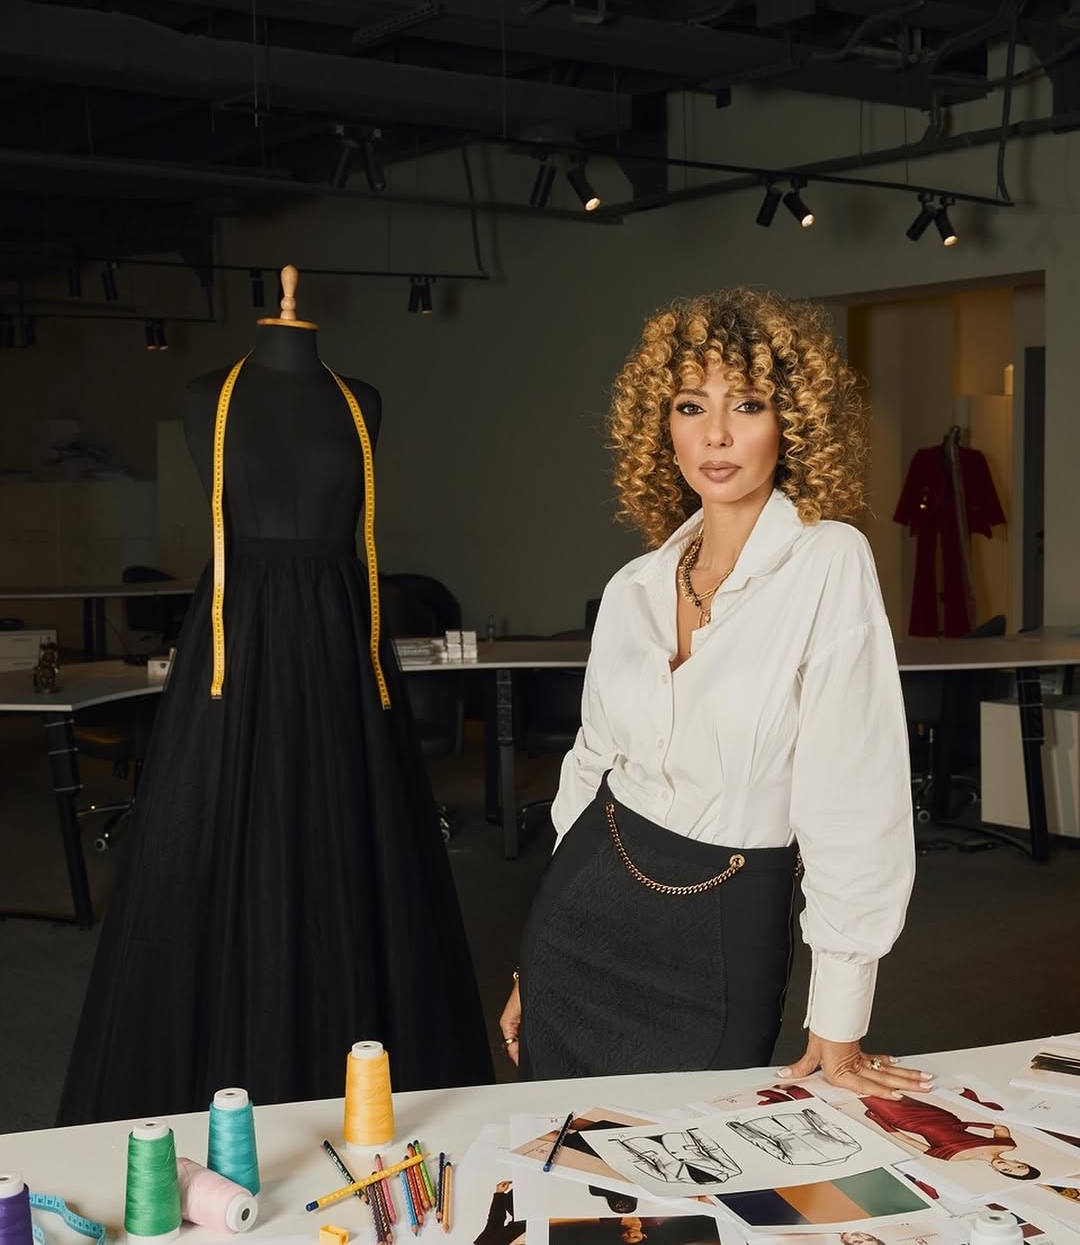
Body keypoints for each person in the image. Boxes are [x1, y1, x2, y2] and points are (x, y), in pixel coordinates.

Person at [57, 295, 492, 1124]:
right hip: (239, 643)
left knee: (351, 838)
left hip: (341, 647)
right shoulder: (206, 395)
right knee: (217, 839)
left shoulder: (360, 400)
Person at [500, 287, 922, 1095]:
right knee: (565, 1156)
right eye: (691, 406)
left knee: (697, 1156)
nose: (716, 434)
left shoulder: (829, 563)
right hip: (579, 918)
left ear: (792, 423)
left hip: (722, 931)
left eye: (748, 404)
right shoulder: (633, 586)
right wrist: (530, 960)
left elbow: (854, 797)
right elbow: (590, 767)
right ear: (662, 425)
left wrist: (840, 1019)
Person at [860, 1095, 1039, 1178]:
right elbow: (1000, 1127)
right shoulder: (1006, 1146)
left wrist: (879, 1121)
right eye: (1018, 1166)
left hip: (907, 1122)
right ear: (1021, 1161)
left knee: (868, 1095)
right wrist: (966, 1124)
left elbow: (907, 1140)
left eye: (1007, 1170)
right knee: (890, 1091)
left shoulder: (954, 1158)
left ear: (998, 1172)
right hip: (941, 1116)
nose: (1007, 1165)